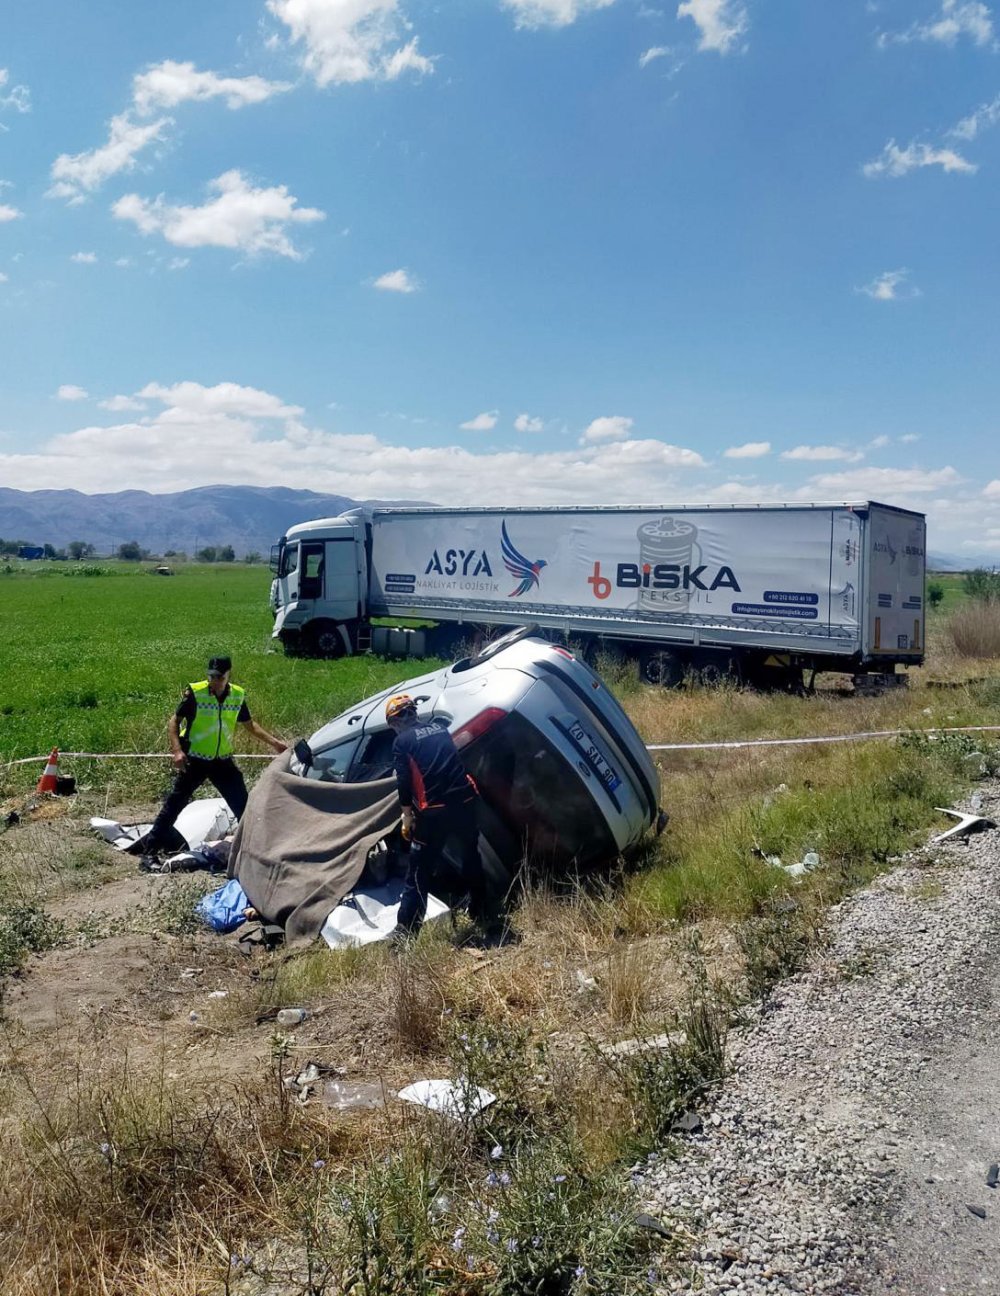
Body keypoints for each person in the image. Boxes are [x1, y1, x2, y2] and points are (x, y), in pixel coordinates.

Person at [385, 693, 510, 946]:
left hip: (434, 811)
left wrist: (407, 816)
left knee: (418, 870)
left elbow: (404, 782)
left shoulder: (401, 742)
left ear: (395, 722)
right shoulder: (440, 730)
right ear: (414, 713)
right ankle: (483, 912)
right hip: (466, 803)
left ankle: (405, 933)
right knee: (471, 858)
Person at [141, 655, 287, 871]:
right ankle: (149, 854)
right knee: (174, 805)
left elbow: (249, 724)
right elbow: (174, 721)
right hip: (195, 760)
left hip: (222, 762)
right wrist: (177, 751)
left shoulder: (237, 695)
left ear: (229, 675)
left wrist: (275, 743)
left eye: (219, 677)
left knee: (243, 807)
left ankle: (258, 852)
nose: (215, 681)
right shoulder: (196, 693)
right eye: (211, 676)